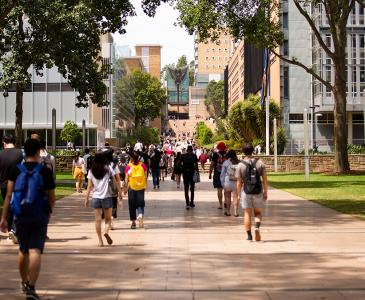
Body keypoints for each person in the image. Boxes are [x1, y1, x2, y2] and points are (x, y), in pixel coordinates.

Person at [0, 138, 56, 300]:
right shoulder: (44, 171)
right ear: (39, 151)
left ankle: (24, 282)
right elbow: (51, 197)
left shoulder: (16, 171)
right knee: (36, 250)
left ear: (25, 151)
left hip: (20, 215)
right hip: (39, 215)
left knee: (23, 250)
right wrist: (48, 212)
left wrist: (4, 217)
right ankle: (31, 287)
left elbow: (9, 195)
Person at [85, 152, 122, 246]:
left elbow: (89, 186)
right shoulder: (108, 168)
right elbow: (115, 180)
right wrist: (120, 193)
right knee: (108, 219)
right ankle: (106, 231)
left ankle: (100, 241)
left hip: (96, 197)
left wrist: (86, 198)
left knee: (97, 220)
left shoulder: (91, 170)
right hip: (107, 196)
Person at [236, 143, 269, 242]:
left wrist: (238, 195)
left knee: (247, 213)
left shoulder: (240, 165)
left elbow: (238, 182)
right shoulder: (260, 163)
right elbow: (265, 179)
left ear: (243, 152)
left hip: (246, 191)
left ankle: (249, 236)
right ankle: (257, 227)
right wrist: (266, 192)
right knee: (257, 212)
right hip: (257, 190)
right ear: (252, 151)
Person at [0, 134, 24, 244]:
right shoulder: (20, 153)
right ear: (14, 142)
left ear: (4, 142)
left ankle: (10, 230)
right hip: (18, 184)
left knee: (8, 207)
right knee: (16, 207)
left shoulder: (1, 154)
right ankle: (14, 231)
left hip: (4, 184)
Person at [124, 150, 148, 229]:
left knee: (132, 205)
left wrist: (125, 188)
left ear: (131, 158)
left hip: (132, 187)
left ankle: (133, 222)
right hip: (141, 187)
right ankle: (140, 214)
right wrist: (145, 185)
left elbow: (126, 178)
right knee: (140, 203)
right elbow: (145, 176)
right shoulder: (143, 165)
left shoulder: (129, 166)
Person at [102, 149, 123, 230]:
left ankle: (106, 222)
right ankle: (111, 221)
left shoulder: (101, 165)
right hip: (113, 188)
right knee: (113, 204)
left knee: (105, 205)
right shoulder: (114, 165)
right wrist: (120, 190)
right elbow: (118, 178)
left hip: (103, 188)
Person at [220, 150, 240, 217]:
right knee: (235, 197)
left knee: (228, 197)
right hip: (236, 180)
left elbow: (222, 174)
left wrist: (222, 183)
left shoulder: (226, 162)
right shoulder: (239, 162)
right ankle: (235, 212)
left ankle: (228, 211)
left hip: (227, 180)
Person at [209, 142, 227, 209]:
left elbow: (212, 164)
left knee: (219, 189)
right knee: (226, 189)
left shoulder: (215, 154)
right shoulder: (227, 154)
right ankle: (226, 202)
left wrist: (210, 173)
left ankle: (220, 205)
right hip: (226, 174)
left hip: (217, 173)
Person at [181, 145, 199, 210]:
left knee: (186, 188)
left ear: (187, 150)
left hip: (185, 173)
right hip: (192, 173)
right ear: (192, 150)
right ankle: (191, 202)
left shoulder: (183, 156)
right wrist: (197, 172)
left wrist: (182, 169)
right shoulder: (194, 156)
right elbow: (196, 165)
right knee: (192, 188)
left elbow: (179, 163)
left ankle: (187, 203)